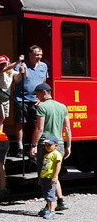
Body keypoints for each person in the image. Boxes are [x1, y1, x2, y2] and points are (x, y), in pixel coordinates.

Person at [29, 83, 71, 211]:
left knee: (45, 176)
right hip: (59, 144)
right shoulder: (62, 106)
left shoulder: (42, 107)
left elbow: (39, 128)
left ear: (45, 93)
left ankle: (49, 207)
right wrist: (69, 146)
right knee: (54, 174)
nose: (36, 97)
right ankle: (60, 201)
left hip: (46, 145)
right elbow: (68, 128)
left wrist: (33, 145)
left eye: (37, 94)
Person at [11, 45, 48, 154]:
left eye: (40, 55)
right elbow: (16, 81)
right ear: (30, 55)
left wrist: (42, 99)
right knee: (20, 123)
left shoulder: (43, 66)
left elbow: (44, 83)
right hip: (22, 99)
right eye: (37, 55)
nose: (39, 57)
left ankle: (34, 146)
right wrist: (22, 73)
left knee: (37, 124)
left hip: (37, 100)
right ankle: (20, 147)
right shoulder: (22, 65)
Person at [38, 135, 64, 220]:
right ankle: (48, 209)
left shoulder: (56, 154)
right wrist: (40, 177)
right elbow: (44, 167)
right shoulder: (46, 155)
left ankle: (52, 211)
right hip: (45, 177)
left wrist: (55, 176)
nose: (47, 147)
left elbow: (58, 166)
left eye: (49, 145)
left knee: (50, 194)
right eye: (46, 145)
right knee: (46, 194)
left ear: (56, 145)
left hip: (50, 177)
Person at [0, 54, 17, 131]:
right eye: (1, 64)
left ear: (8, 62)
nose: (3, 65)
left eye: (4, 63)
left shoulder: (11, 72)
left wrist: (24, 70)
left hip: (6, 96)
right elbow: (7, 68)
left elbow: (18, 76)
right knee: (1, 116)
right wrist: (18, 61)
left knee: (2, 117)